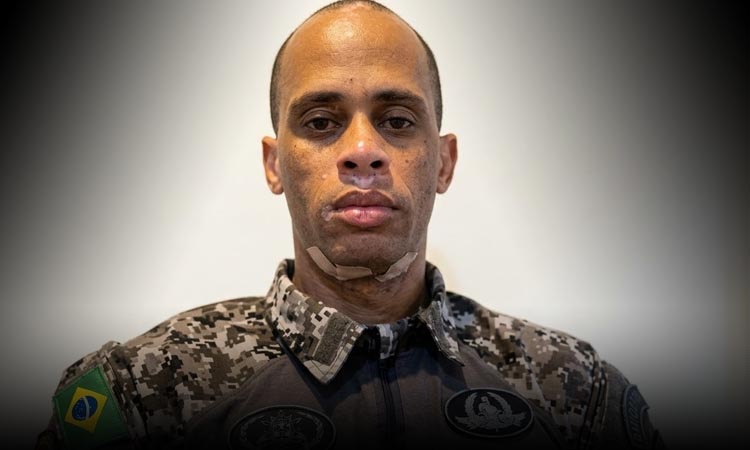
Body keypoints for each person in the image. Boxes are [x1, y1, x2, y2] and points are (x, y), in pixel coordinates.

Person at [36, 1, 664, 449]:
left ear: (443, 162)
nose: (363, 151)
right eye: (320, 122)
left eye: (397, 121)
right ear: (274, 164)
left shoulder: (575, 392)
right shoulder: (146, 391)